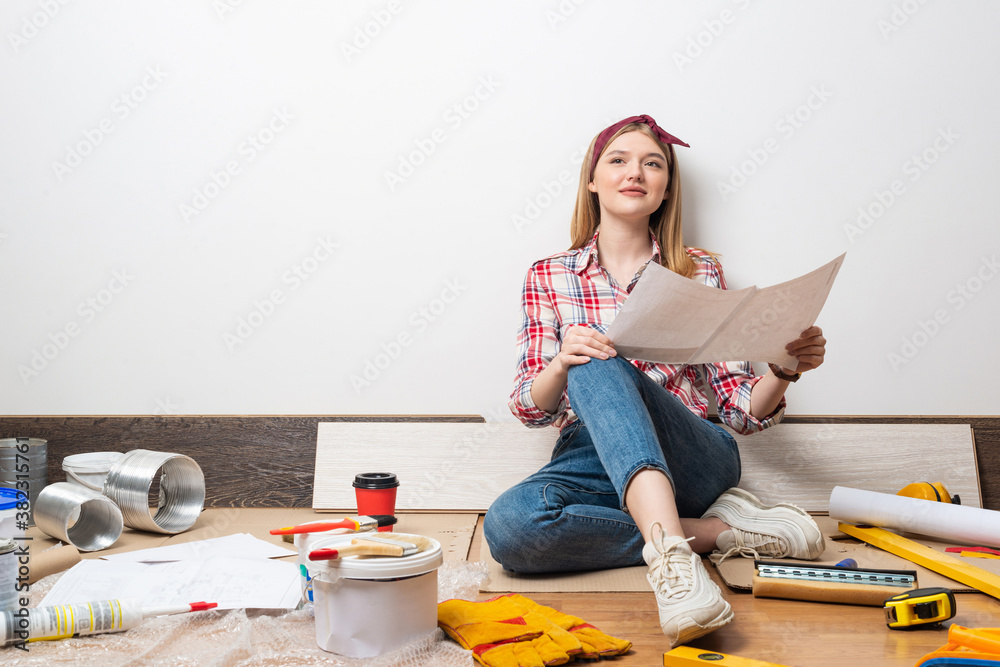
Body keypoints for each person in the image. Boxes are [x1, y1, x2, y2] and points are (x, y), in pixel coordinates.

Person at [483, 114, 828, 648]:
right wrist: (560, 363)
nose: (635, 172)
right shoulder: (547, 275)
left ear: (666, 187)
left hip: (691, 451)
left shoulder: (699, 272)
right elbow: (530, 407)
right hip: (589, 456)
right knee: (509, 529)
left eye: (652, 163)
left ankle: (675, 570)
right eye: (617, 160)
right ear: (592, 181)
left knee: (597, 358)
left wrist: (784, 370)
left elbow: (739, 410)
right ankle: (717, 532)